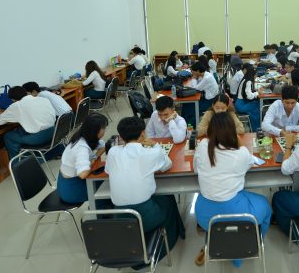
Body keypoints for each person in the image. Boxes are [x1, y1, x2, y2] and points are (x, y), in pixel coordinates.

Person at [193, 112, 271, 267]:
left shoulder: (202, 146)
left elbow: (196, 169)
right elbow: (248, 163)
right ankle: (250, 244)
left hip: (204, 215)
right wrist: (240, 143)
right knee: (265, 206)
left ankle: (218, 243)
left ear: (210, 130)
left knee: (223, 224)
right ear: (233, 132)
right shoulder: (241, 153)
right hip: (235, 211)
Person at [106, 117, 185, 261]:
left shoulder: (112, 152)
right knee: (168, 200)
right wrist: (155, 146)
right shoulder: (150, 153)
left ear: (120, 137)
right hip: (145, 216)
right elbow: (167, 165)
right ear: (143, 134)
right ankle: (168, 242)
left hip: (120, 217)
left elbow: (108, 170)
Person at [56, 114, 107, 203]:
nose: (105, 131)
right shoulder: (82, 147)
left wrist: (94, 157)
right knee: (108, 184)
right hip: (72, 190)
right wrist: (91, 162)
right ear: (95, 131)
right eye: (104, 128)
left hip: (64, 183)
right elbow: (82, 174)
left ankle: (100, 206)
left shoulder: (83, 136)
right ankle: (100, 208)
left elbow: (103, 146)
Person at [0, 86, 56, 159]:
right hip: (54, 132)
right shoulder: (43, 99)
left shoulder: (17, 105)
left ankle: (17, 162)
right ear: (26, 93)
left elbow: (0, 121)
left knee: (9, 136)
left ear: (12, 99)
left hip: (39, 138)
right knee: (21, 129)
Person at [184, 61, 220, 127]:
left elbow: (196, 88)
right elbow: (197, 85)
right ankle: (185, 123)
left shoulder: (207, 78)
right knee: (186, 105)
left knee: (190, 108)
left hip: (210, 101)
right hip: (206, 98)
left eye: (193, 71)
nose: (192, 73)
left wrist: (194, 78)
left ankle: (191, 126)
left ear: (197, 71)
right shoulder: (204, 75)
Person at [235, 65, 261, 131]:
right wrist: (257, 93)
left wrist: (255, 92)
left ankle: (255, 127)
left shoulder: (244, 79)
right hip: (241, 105)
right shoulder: (248, 82)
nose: (256, 77)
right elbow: (249, 96)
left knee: (255, 106)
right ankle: (256, 128)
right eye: (255, 75)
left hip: (239, 103)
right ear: (252, 75)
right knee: (257, 105)